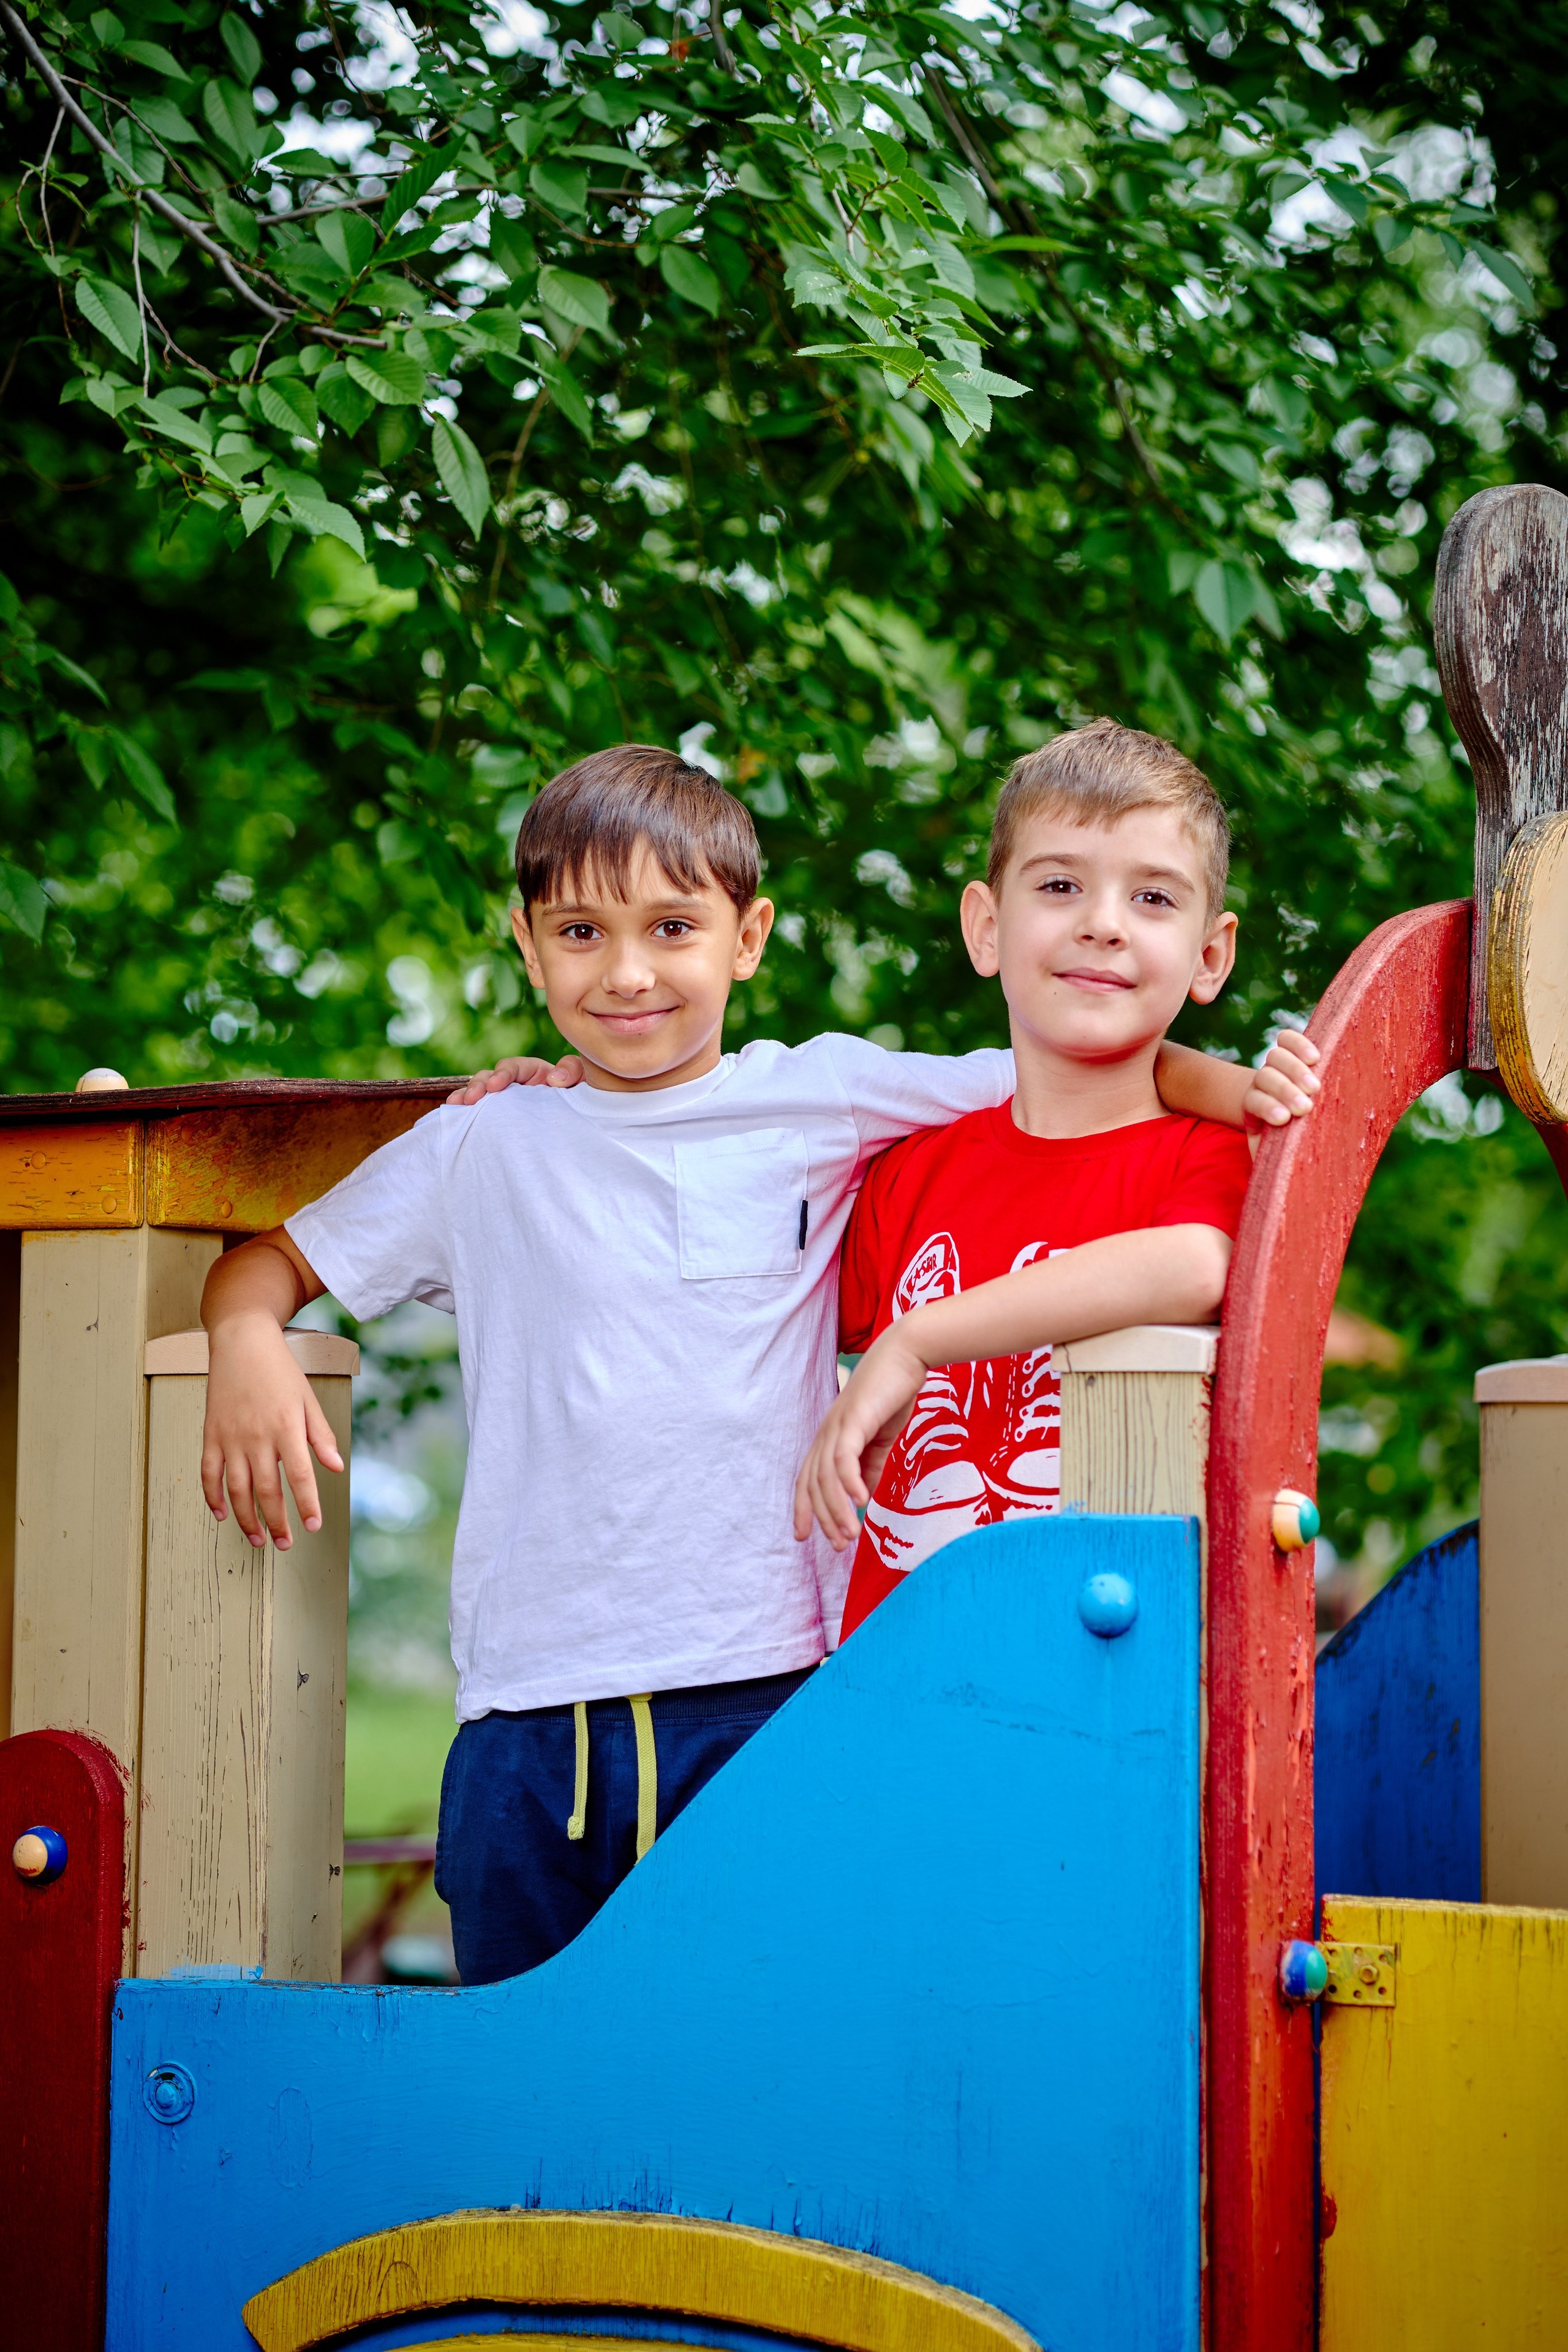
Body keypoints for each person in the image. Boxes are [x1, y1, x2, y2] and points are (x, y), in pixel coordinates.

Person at [199, 742, 1316, 1984]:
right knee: (522, 2084)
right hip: (530, 1703)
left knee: (767, 2059)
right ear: (526, 944)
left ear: (747, 936)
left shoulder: (827, 1098)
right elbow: (269, 1266)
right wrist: (246, 1338)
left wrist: (1252, 1094)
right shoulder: (487, 1146)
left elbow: (1108, 1056)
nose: (627, 972)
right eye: (579, 932)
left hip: (770, 1691)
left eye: (672, 925)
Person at [795, 718, 1291, 1634]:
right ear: (987, 926)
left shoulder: (1206, 1152)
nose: (1102, 923)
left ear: (1211, 955)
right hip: (898, 1672)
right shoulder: (911, 1173)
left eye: (1153, 898)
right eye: (1061, 885)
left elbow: (1195, 1265)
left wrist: (916, 1341)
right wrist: (571, 1087)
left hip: (1100, 1676)